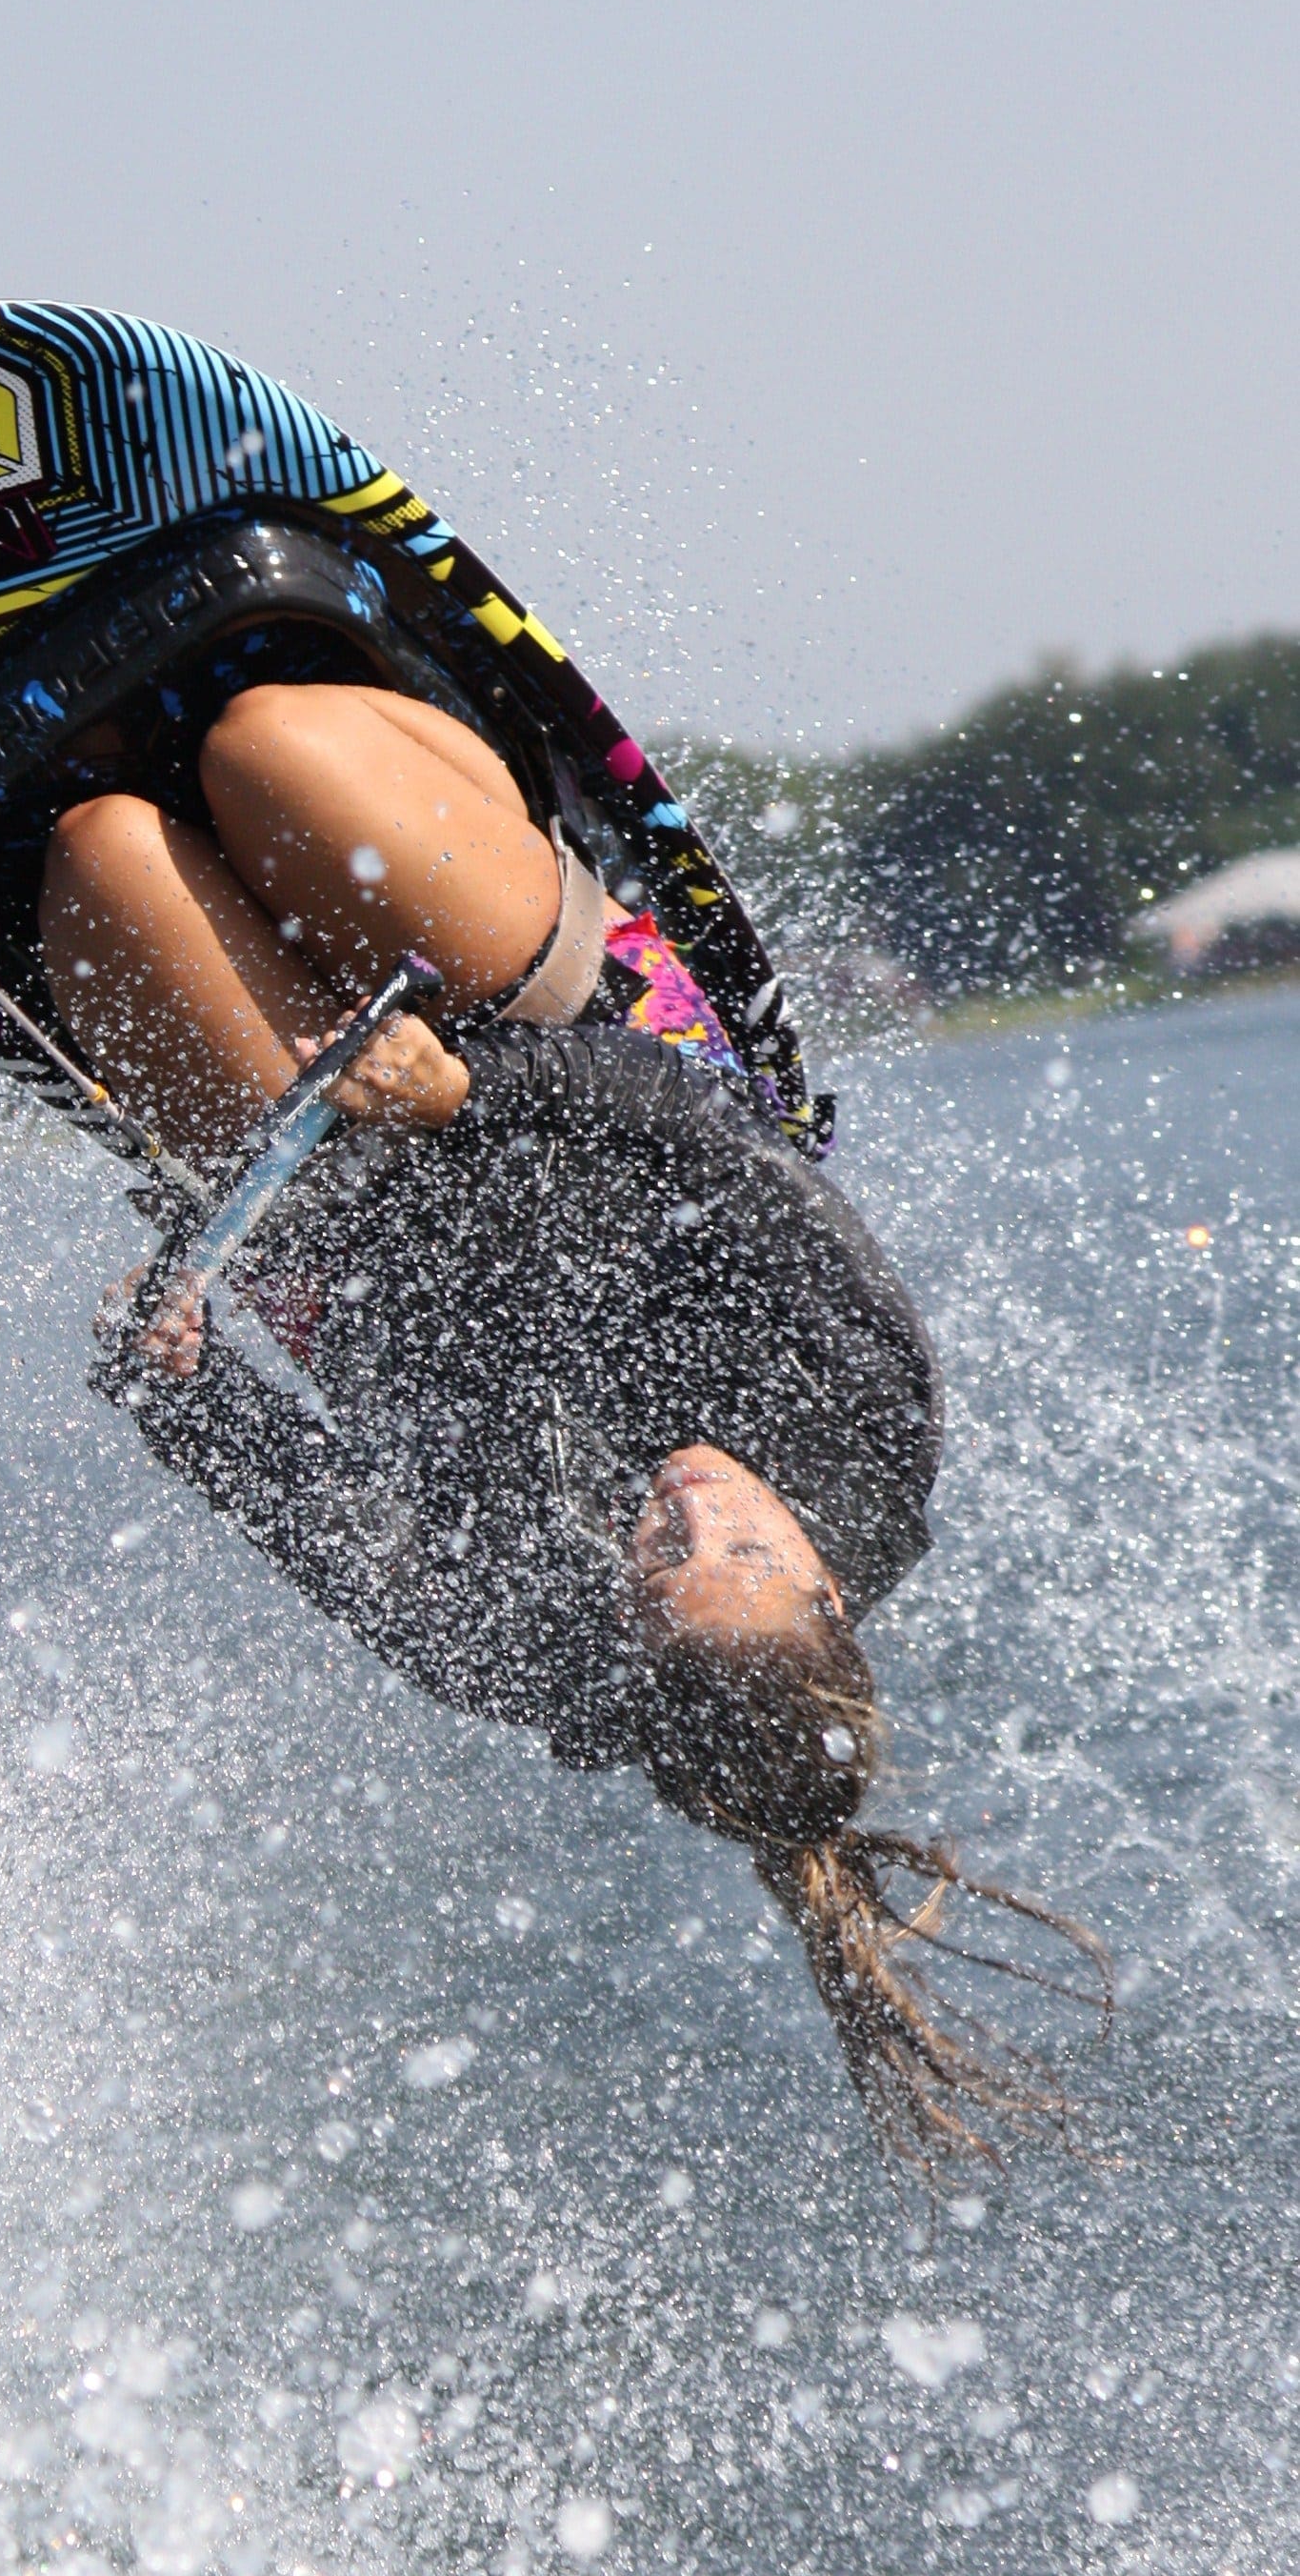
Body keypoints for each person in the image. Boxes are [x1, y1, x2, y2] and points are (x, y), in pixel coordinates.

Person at [53, 681, 1105, 2171]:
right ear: (823, 1585)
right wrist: (467, 1091)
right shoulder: (871, 1436)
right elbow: (709, 1132)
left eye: (657, 1553)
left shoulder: (523, 1650)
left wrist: (175, 1375)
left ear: (627, 1632)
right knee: (260, 749)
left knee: (102, 842)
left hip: (338, 1203)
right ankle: (426, 787)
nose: (682, 1496)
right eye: (729, 1532)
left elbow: (288, 1495)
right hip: (571, 1044)